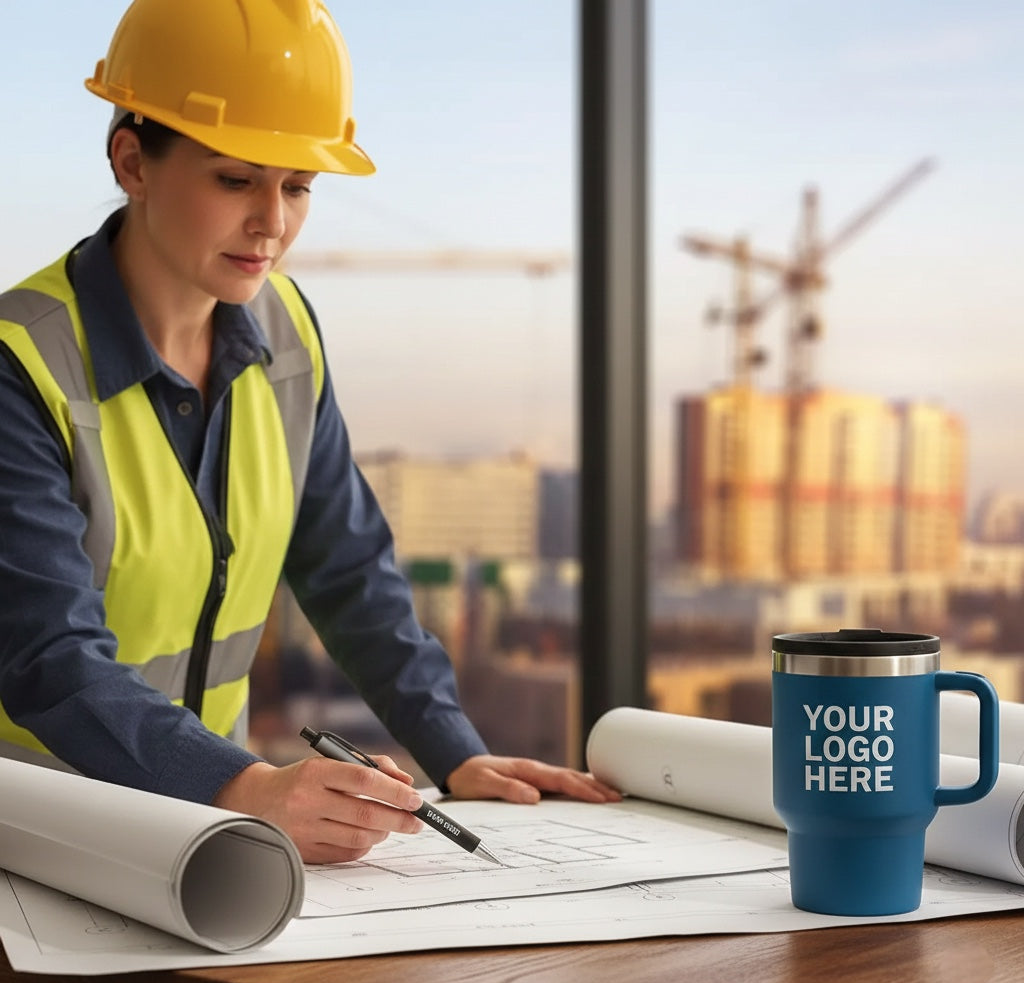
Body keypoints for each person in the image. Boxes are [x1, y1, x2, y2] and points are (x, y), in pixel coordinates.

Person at [0, 0, 618, 865]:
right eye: (234, 179)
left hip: (200, 836)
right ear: (133, 161)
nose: (273, 224)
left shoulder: (285, 331)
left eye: (297, 186)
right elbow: (46, 652)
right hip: (32, 841)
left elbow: (349, 569)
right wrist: (246, 785)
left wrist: (455, 750)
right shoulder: (21, 362)